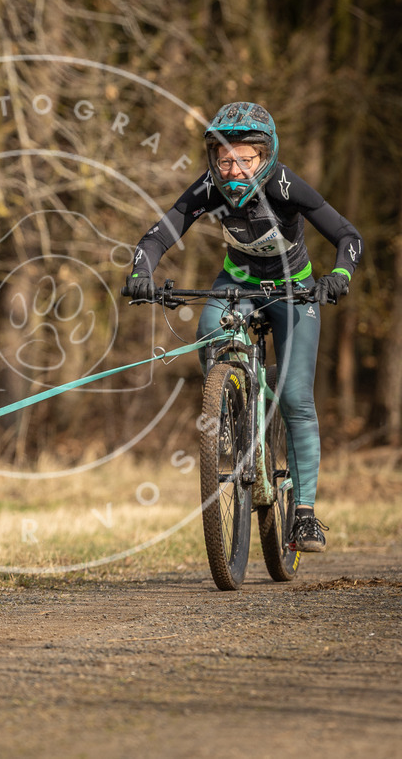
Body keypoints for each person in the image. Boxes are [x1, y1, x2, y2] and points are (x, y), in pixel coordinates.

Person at [125, 101, 362, 551]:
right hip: (236, 283)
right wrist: (141, 274)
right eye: (224, 158)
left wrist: (339, 278)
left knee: (295, 398)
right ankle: (230, 408)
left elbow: (349, 236)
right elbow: (158, 236)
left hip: (294, 289)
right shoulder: (212, 186)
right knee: (208, 333)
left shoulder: (285, 185)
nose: (232, 168)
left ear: (264, 157)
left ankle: (306, 515)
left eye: (243, 159)